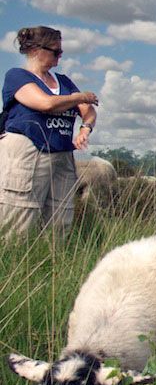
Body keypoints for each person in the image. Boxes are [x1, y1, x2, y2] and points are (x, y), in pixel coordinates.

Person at [0, 26, 98, 234]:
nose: (59, 57)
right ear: (35, 50)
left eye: (61, 52)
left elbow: (88, 111)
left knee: (60, 222)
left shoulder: (63, 82)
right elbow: (45, 103)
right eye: (55, 51)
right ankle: (16, 262)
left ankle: (52, 262)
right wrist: (79, 97)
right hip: (28, 154)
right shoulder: (17, 76)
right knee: (20, 218)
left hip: (62, 155)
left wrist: (85, 128)